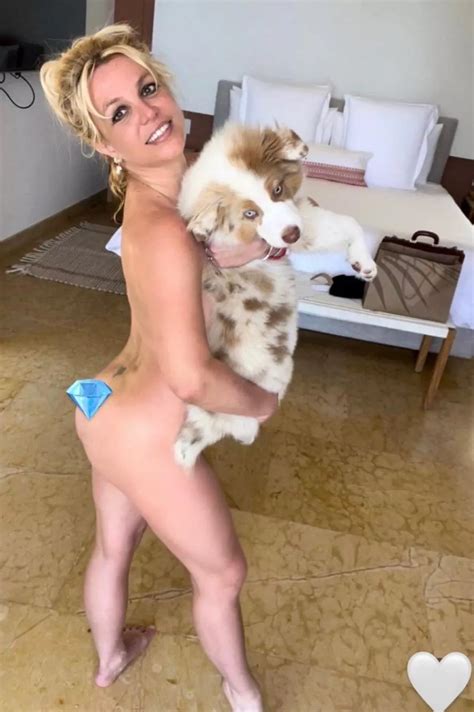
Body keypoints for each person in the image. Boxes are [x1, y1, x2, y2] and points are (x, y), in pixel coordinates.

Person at [40, 23, 278, 712]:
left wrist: (257, 249)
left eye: (148, 89)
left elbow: (212, 246)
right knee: (223, 574)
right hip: (144, 430)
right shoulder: (164, 228)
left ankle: (110, 659)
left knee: (113, 547)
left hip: (98, 402)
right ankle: (243, 695)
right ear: (104, 144)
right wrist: (260, 403)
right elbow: (191, 378)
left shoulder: (169, 198)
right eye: (120, 113)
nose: (147, 112)